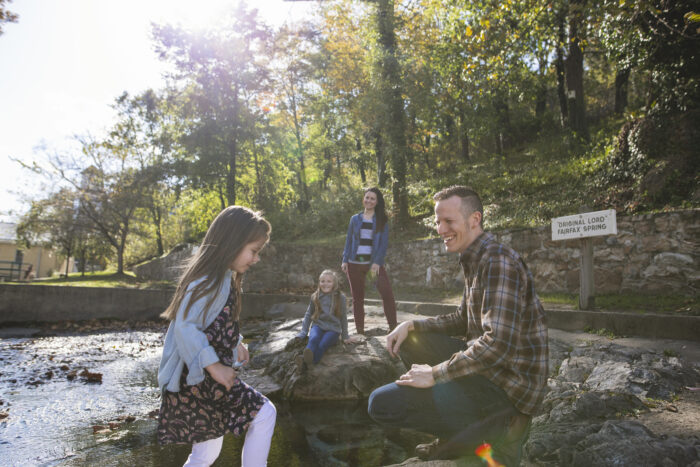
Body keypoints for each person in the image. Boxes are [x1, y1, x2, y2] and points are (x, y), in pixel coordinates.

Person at [367, 186, 548, 466]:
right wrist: (412, 324)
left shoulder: (498, 261)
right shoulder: (475, 256)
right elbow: (463, 318)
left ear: (474, 219)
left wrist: (436, 373)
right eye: (437, 222)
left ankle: (505, 428)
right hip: (491, 371)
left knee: (380, 404)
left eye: (448, 221)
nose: (440, 229)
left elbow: (497, 344)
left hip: (509, 385)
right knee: (411, 341)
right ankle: (462, 436)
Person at [157, 206, 277, 467]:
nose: (256, 259)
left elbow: (216, 323)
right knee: (264, 413)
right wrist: (215, 367)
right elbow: (186, 328)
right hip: (201, 378)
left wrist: (236, 342)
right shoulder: (205, 281)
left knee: (205, 455)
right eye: (254, 251)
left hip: (201, 379)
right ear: (232, 243)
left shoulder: (223, 278)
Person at [341, 187, 397, 335]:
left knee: (387, 295)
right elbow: (348, 241)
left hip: (372, 266)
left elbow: (383, 244)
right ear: (363, 199)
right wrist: (345, 260)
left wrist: (377, 263)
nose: (369, 200)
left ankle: (394, 328)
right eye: (367, 197)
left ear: (377, 202)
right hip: (354, 264)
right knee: (357, 298)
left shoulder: (382, 220)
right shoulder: (355, 219)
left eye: (372, 198)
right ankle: (360, 332)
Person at [293, 269, 356, 369]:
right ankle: (307, 357)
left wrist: (345, 336)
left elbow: (343, 317)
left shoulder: (341, 298)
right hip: (318, 325)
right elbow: (308, 314)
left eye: (329, 281)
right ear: (319, 282)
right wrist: (304, 331)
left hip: (333, 329)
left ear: (334, 283)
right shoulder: (315, 296)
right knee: (313, 339)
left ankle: (306, 362)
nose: (325, 284)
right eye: (322, 281)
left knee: (323, 344)